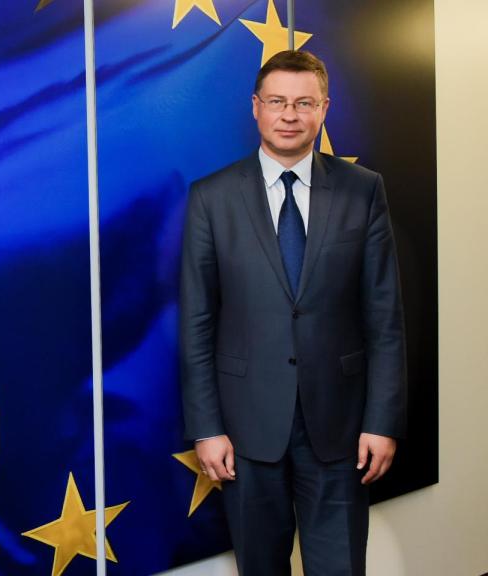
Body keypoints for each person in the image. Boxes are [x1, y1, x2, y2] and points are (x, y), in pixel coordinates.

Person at [179, 50, 406, 575]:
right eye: (277, 101)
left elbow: (385, 317)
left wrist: (382, 420)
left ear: (324, 109)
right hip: (244, 431)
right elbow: (196, 323)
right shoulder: (211, 198)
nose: (289, 114)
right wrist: (206, 427)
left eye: (304, 103)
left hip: (342, 428)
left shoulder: (362, 190)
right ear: (255, 108)